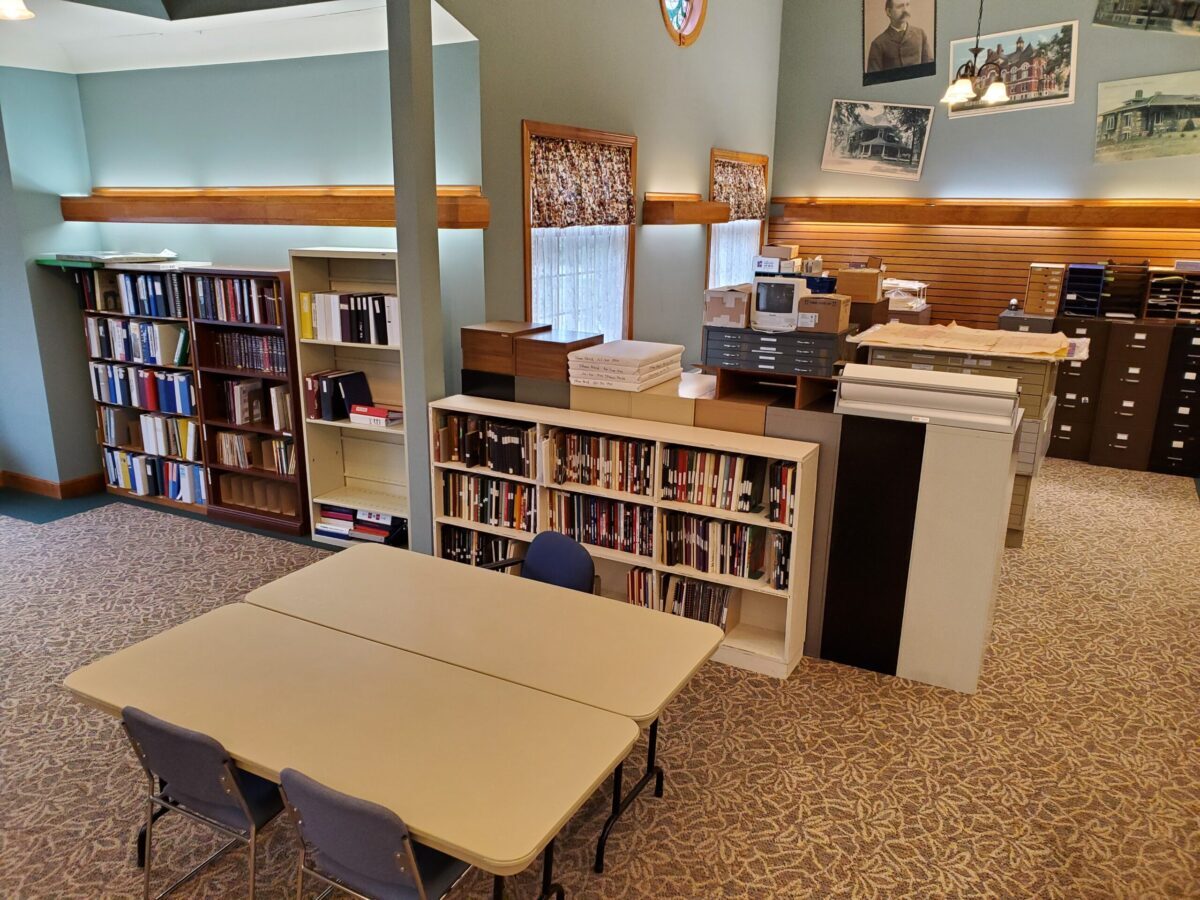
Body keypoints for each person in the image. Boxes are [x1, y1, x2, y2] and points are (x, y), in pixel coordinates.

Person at [867, 0, 932, 73]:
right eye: (900, 6)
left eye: (907, 5)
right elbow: (874, 79)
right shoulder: (878, 44)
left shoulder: (920, 34)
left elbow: (929, 69)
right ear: (889, 12)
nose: (905, 10)